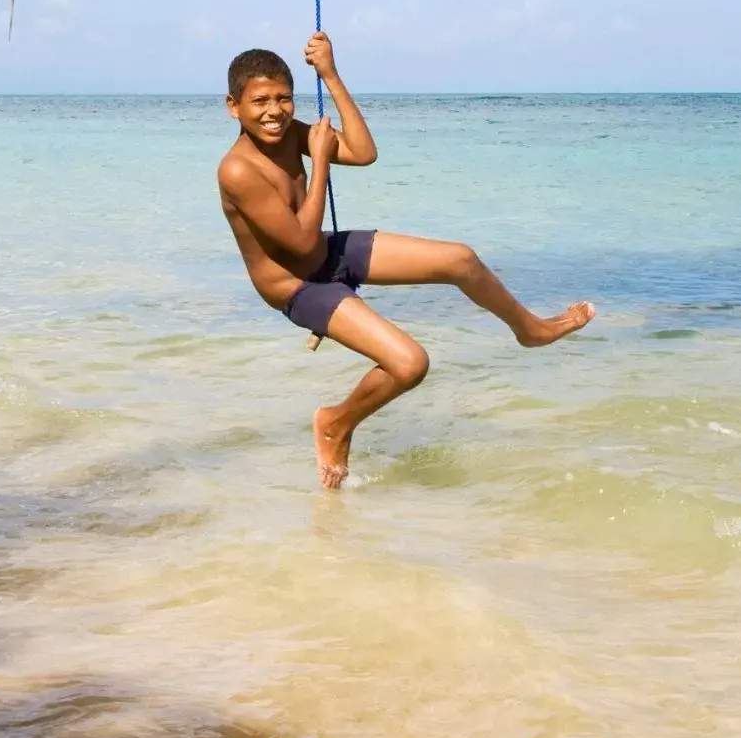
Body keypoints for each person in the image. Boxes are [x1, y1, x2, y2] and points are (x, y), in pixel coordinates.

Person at [216, 34, 595, 487]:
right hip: (299, 285)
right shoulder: (238, 169)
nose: (274, 111)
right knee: (410, 364)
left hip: (328, 252)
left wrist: (332, 76)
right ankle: (336, 422)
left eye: (284, 99)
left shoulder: (288, 132)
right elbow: (298, 243)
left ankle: (530, 330)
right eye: (259, 101)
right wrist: (319, 161)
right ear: (233, 106)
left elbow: (363, 152)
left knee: (460, 259)